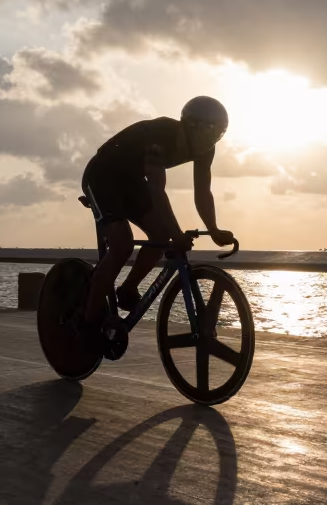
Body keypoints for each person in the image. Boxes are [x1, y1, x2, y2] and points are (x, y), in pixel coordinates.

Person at [77, 96, 235, 351]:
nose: (212, 140)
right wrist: (177, 233)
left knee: (160, 237)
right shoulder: (160, 136)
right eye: (209, 132)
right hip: (102, 176)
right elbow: (157, 191)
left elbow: (202, 191)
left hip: (131, 181)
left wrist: (214, 229)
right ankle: (87, 323)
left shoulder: (206, 150)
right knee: (122, 246)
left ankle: (127, 289)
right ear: (190, 125)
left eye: (218, 134)